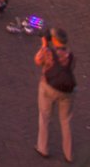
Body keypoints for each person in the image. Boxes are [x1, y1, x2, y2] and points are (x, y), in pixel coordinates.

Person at [35, 27, 75, 162]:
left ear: (55, 40)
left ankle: (43, 148)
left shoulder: (48, 52)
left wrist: (44, 45)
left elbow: (37, 61)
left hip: (48, 88)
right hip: (66, 92)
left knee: (45, 117)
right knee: (66, 121)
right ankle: (68, 154)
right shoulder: (70, 55)